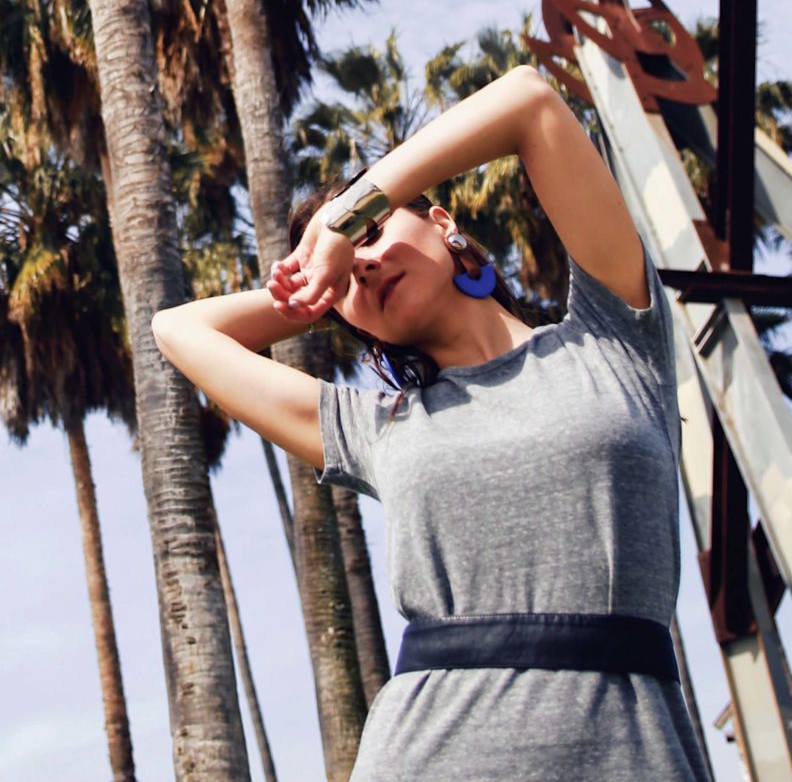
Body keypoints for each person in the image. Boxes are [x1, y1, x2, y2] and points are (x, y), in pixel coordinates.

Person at [152, 63, 712, 782]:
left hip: (631, 749)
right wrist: (317, 285)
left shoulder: (612, 339)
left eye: (378, 231)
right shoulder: (380, 427)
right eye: (348, 275)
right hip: (429, 751)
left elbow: (530, 101)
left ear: (443, 223)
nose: (364, 261)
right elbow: (178, 329)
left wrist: (343, 221)